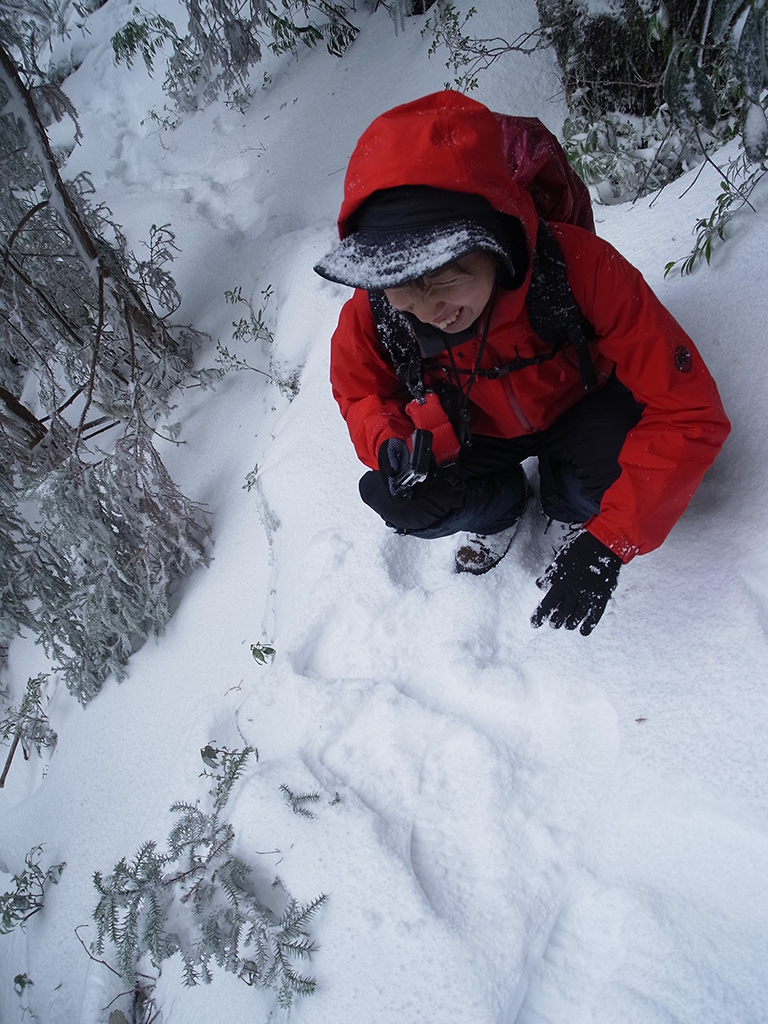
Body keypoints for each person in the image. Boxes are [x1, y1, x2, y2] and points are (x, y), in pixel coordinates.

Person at [314, 91, 730, 635]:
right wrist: (389, 443)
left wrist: (611, 539)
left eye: (445, 272)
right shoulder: (376, 316)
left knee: (611, 473)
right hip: (476, 432)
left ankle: (567, 500)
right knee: (415, 501)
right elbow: (360, 392)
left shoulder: (579, 269)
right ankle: (501, 510)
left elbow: (689, 414)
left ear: (495, 236)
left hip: (577, 411)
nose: (429, 306)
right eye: (400, 284)